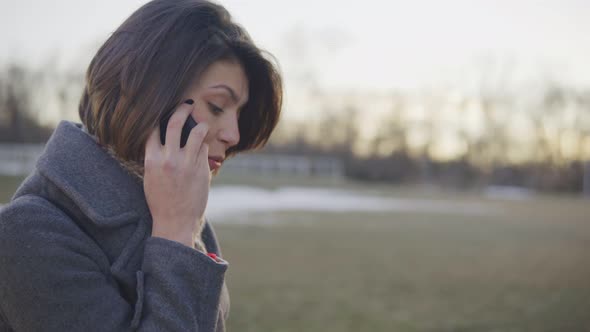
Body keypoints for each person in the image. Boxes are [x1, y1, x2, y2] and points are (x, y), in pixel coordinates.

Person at [0, 0, 282, 331]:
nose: (234, 135)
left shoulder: (183, 212)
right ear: (146, 93)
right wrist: (175, 234)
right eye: (217, 106)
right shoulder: (26, 232)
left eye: (240, 114)